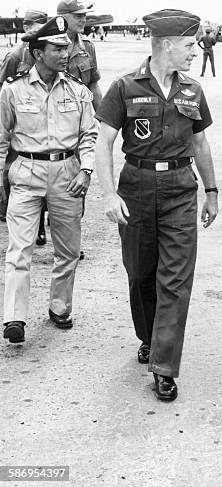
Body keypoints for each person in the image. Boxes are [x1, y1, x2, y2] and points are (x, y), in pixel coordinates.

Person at [95, 9, 218, 402]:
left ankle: (164, 366)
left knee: (176, 280)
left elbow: (200, 143)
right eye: (188, 45)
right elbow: (103, 143)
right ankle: (148, 336)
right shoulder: (125, 87)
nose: (194, 52)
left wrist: (211, 190)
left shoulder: (193, 90)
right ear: (166, 45)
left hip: (181, 188)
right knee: (140, 273)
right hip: (136, 186)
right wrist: (108, 193)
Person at [0, 16, 97, 344]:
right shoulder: (12, 90)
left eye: (65, 45)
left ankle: (59, 307)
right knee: (19, 249)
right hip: (26, 173)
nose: (65, 50)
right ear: (38, 53)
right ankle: (14, 317)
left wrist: (86, 171)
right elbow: (1, 139)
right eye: (56, 47)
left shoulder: (78, 90)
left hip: (67, 174)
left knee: (68, 250)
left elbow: (89, 135)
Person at [0, 10, 48, 232]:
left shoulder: (48, 54)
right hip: (16, 126)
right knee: (13, 174)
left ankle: (38, 225)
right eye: (36, 26)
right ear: (27, 27)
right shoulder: (15, 57)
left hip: (40, 126)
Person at [57, 0, 102, 110]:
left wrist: (101, 118)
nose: (83, 20)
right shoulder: (45, 46)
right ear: (62, 18)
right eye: (78, 16)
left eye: (84, 15)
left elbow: (93, 85)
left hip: (80, 115)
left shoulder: (88, 46)